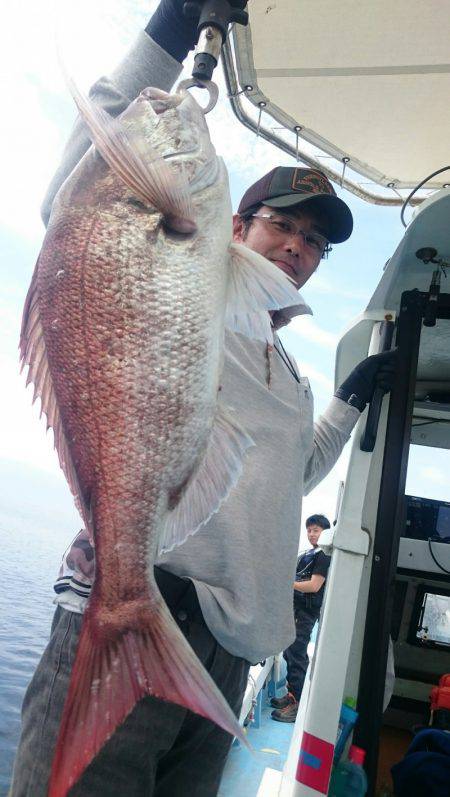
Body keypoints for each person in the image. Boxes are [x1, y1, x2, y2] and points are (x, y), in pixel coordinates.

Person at [10, 3, 398, 796]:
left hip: (228, 652)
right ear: (231, 224)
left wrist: (349, 399)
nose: (299, 246)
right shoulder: (193, 288)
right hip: (141, 599)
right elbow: (82, 196)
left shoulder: (290, 372)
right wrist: (170, 33)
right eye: (282, 225)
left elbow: (286, 475)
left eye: (315, 242)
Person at [271, 514, 332, 723]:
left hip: (306, 611)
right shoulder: (308, 553)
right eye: (309, 530)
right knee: (289, 651)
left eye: (316, 530)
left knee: (296, 651)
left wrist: (289, 582)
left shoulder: (323, 555)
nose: (311, 534)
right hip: (295, 608)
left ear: (325, 532)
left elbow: (314, 585)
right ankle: (292, 695)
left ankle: (298, 704)